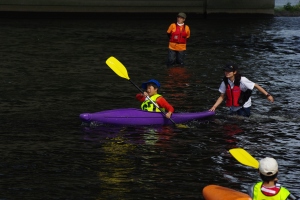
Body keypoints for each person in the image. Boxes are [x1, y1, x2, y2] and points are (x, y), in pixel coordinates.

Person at [209, 63, 274, 117]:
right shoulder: (225, 81)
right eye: (226, 71)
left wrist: (268, 95)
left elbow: (256, 86)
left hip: (244, 106)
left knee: (240, 124)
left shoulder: (242, 80)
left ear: (234, 72)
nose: (227, 73)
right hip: (233, 107)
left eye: (229, 71)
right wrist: (214, 107)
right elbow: (222, 96)